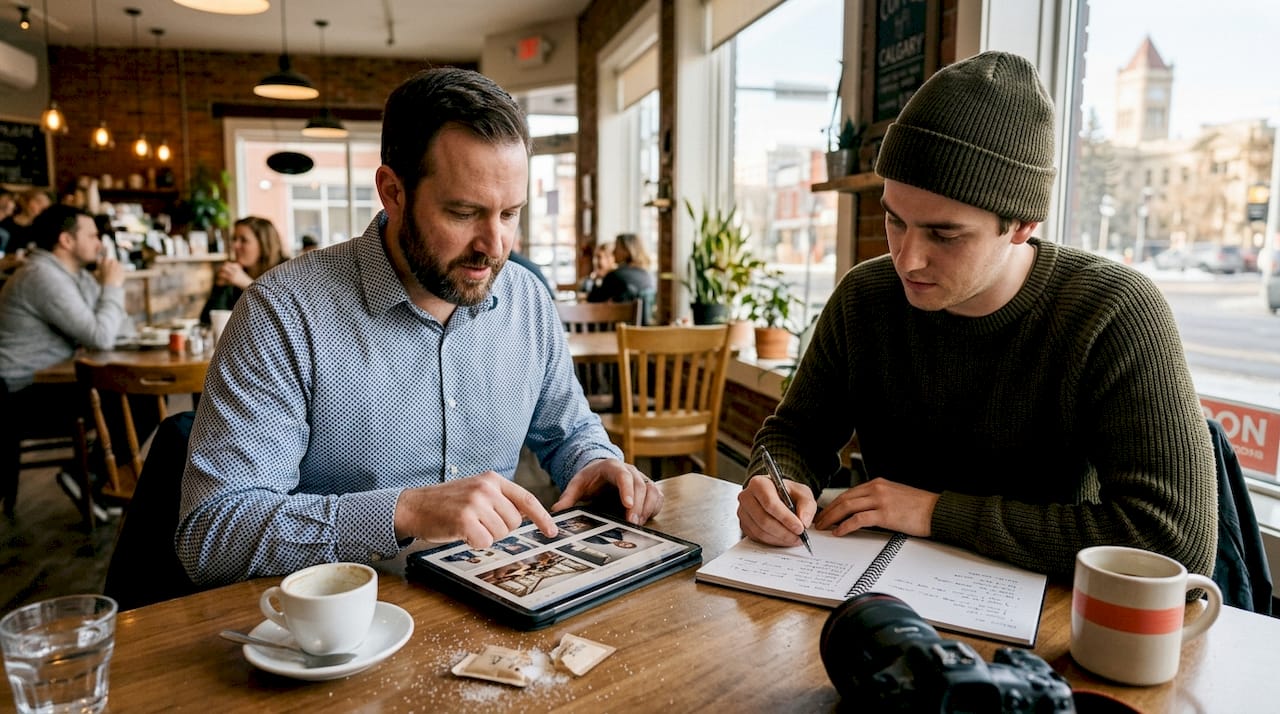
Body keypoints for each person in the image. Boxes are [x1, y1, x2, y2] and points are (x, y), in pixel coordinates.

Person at [737, 51, 1216, 580]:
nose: (906, 258)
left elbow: (1175, 541)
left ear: (1022, 226)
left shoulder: (1114, 312)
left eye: (945, 234)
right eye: (895, 220)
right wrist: (773, 481)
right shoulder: (864, 296)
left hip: (1046, 623)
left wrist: (935, 512)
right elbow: (797, 432)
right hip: (878, 595)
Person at [177, 67, 661, 586]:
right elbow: (211, 536)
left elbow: (571, 432)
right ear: (393, 192)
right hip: (340, 627)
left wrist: (596, 462)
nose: (494, 247)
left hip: (500, 604)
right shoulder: (284, 311)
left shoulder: (527, 300)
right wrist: (400, 512)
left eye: (509, 214)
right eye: (463, 212)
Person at [0, 205, 129, 520]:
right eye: (92, 235)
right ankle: (89, 478)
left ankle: (99, 479)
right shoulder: (42, 276)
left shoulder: (73, 276)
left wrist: (105, 292)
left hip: (50, 381)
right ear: (66, 241)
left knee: (131, 393)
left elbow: (121, 329)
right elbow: (100, 336)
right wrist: (112, 287)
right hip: (18, 394)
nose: (100, 242)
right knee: (129, 395)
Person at [198, 216, 286, 324]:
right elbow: (207, 322)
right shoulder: (233, 273)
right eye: (234, 239)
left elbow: (284, 315)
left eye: (243, 240)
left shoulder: (285, 271)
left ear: (264, 244)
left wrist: (247, 284)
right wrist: (220, 288)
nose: (235, 245)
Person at [587, 233, 655, 324]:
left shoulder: (615, 275)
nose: (613, 252)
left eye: (616, 248)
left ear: (626, 250)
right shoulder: (647, 275)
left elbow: (592, 302)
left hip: (617, 331)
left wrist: (597, 280)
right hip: (642, 331)